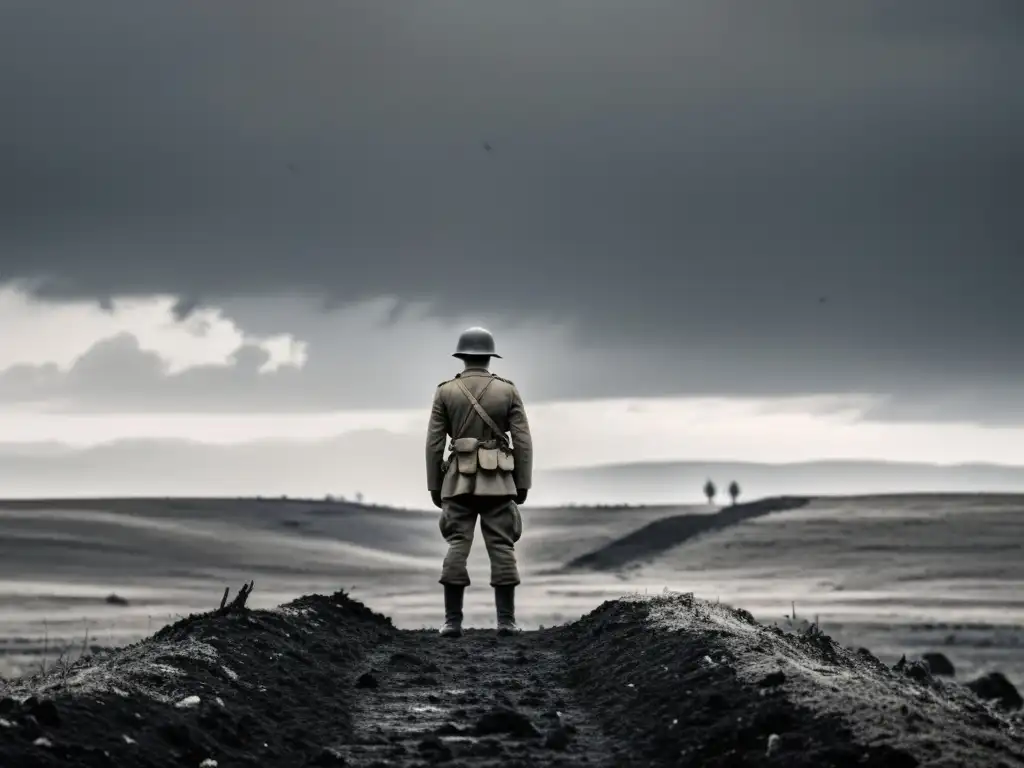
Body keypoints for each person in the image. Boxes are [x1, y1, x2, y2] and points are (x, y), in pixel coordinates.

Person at [425, 326, 533, 637]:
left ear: (461, 356)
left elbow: (434, 443)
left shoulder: (445, 391)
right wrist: (521, 483)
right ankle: (507, 622)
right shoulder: (507, 390)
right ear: (489, 356)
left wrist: (435, 485)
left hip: (457, 481)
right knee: (502, 546)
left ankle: (451, 622)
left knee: (457, 545)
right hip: (499, 481)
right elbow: (523, 441)